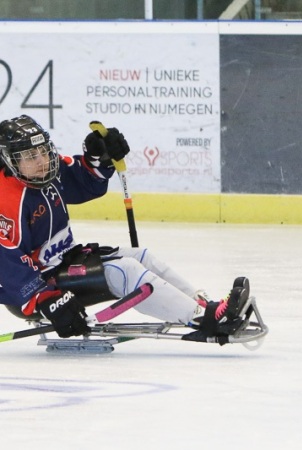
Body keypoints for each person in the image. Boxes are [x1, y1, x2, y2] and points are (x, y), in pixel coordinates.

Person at [0, 114, 248, 341]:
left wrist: (99, 158)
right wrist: (45, 298)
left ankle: (207, 308)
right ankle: (205, 320)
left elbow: (84, 182)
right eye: (31, 156)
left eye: (43, 151)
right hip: (40, 285)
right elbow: (6, 263)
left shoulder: (43, 172)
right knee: (125, 270)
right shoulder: (7, 200)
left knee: (141, 256)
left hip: (64, 261)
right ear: (9, 160)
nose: (43, 161)